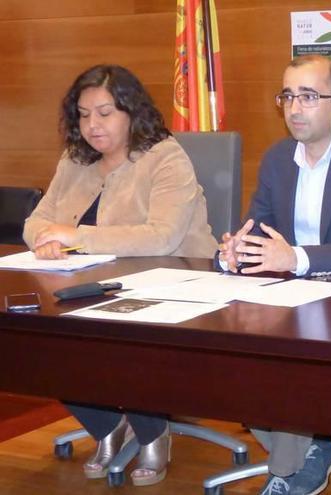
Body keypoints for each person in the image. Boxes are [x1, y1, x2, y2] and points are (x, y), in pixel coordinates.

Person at [22, 64, 217, 486]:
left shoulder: (165, 156)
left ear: (131, 112)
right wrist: (47, 238)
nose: (93, 124)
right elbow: (35, 220)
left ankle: (151, 429)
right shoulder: (75, 159)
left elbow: (162, 237)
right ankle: (106, 425)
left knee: (121, 335)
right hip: (92, 283)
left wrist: (75, 235)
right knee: (36, 335)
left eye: (105, 112)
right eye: (83, 114)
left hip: (178, 282)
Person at [218, 54, 331, 495]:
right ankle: (313, 448)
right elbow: (256, 229)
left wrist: (295, 259)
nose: (294, 108)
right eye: (288, 96)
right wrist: (234, 252)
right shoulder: (278, 158)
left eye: (309, 96)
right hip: (284, 296)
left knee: (280, 360)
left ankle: (285, 469)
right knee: (221, 349)